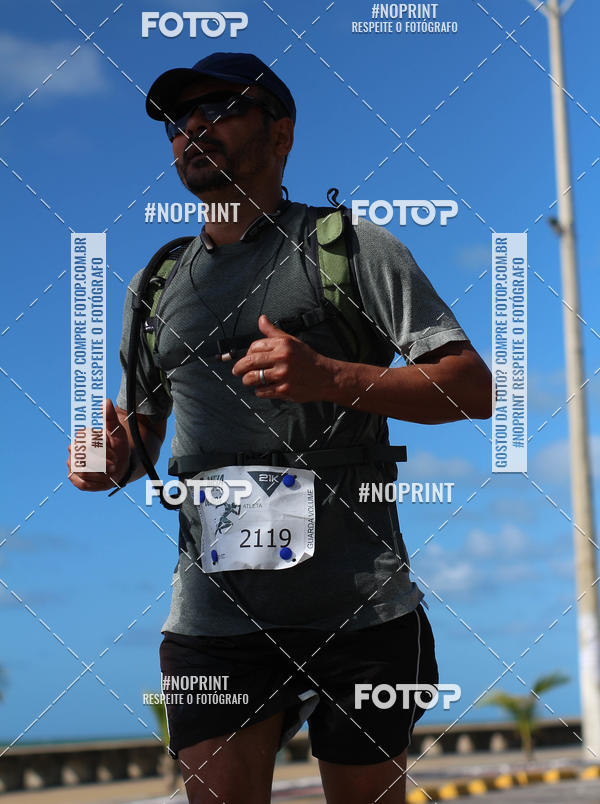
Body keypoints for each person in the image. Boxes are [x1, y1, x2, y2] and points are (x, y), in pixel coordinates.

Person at [68, 52, 492, 804]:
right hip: (214, 616)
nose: (192, 127)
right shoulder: (156, 282)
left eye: (219, 108)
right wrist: (110, 460)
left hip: (360, 609)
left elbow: (472, 389)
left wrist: (332, 377)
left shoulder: (349, 247)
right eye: (176, 120)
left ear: (281, 133)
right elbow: (141, 435)